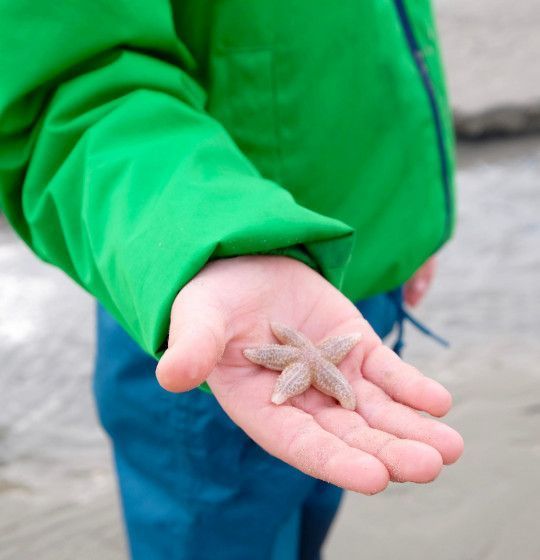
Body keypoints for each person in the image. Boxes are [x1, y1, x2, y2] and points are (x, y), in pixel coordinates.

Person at [0, 1, 464, 558]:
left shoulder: (326, 348)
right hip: (203, 314)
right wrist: (213, 248)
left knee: (310, 518)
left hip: (353, 293)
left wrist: (406, 223)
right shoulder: (271, 349)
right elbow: (70, 85)